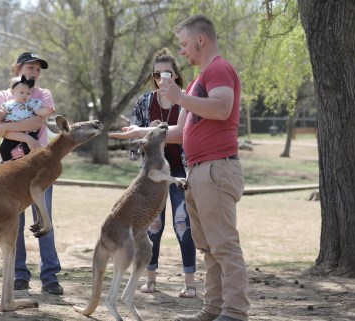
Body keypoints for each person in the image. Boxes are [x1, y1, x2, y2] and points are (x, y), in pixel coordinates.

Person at [110, 15, 249, 321]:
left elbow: (223, 107)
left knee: (224, 245)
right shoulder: (200, 80)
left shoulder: (219, 69)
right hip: (196, 172)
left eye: (185, 44)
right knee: (209, 248)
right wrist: (139, 133)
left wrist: (179, 96)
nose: (183, 51)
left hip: (217, 169)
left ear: (201, 40)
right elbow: (179, 133)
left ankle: (235, 312)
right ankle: (212, 309)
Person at [0, 52, 63, 295]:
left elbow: (34, 124)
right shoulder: (2, 95)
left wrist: (7, 127)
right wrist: (9, 131)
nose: (35, 72)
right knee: (14, 221)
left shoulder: (43, 95)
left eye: (38, 69)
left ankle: (50, 276)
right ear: (17, 68)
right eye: (30, 67)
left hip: (40, 166)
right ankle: (19, 273)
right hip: (10, 168)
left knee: (44, 217)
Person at [129, 47, 197, 298]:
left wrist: (154, 131)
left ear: (176, 75)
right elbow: (135, 135)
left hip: (179, 170)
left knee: (183, 223)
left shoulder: (186, 100)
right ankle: (150, 279)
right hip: (153, 173)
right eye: (157, 75)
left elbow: (188, 134)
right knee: (153, 225)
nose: (162, 79)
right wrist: (140, 135)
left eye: (167, 74)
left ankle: (190, 283)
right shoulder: (144, 102)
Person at [0, 75, 54, 162]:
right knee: (4, 148)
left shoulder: (31, 103)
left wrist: (47, 111)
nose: (25, 96)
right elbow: (1, 115)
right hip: (14, 132)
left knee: (29, 149)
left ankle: (31, 165)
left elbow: (38, 111)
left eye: (28, 93)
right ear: (13, 92)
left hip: (29, 131)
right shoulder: (9, 105)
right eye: (21, 92)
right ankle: (8, 165)